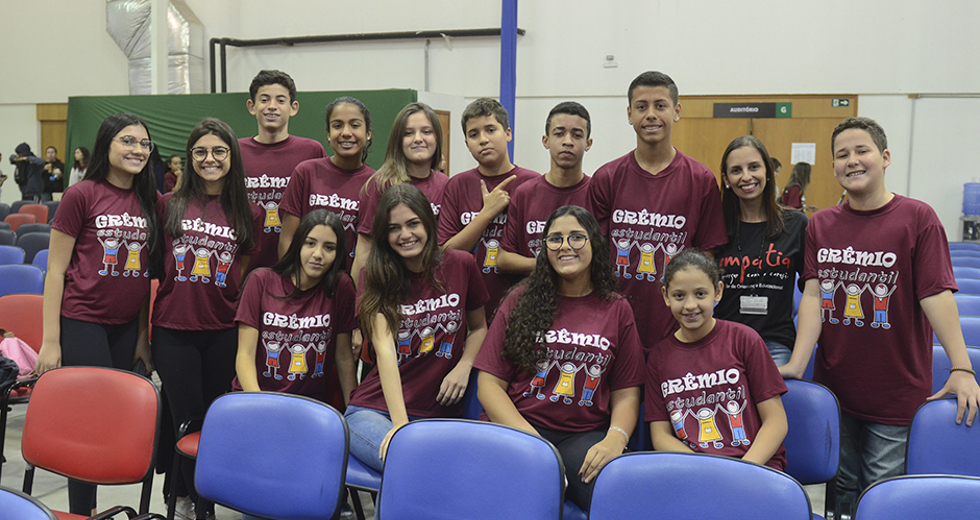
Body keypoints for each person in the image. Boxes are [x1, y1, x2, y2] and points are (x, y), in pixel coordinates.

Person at [779, 117, 980, 511]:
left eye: (862, 151)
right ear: (833, 166)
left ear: (885, 157)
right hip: (835, 390)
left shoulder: (918, 218)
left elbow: (936, 295)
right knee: (840, 496)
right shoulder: (821, 224)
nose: (852, 160)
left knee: (879, 496)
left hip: (896, 394)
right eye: (842, 155)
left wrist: (962, 367)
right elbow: (814, 296)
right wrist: (799, 363)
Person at [34, 112, 161, 516]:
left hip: (125, 327)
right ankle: (81, 512)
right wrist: (50, 340)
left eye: (144, 143)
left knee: (110, 422)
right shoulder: (81, 195)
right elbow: (55, 271)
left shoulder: (150, 200)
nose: (138, 150)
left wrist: (142, 337)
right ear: (106, 145)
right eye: (128, 141)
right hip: (82, 320)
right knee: (87, 422)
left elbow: (144, 277)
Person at [476, 205, 642, 510]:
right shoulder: (519, 300)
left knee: (624, 499)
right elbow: (488, 385)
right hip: (519, 428)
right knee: (519, 501)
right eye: (555, 239)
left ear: (594, 243)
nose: (565, 246)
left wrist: (616, 438)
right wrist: (536, 446)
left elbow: (627, 393)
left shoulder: (617, 309)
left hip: (582, 437)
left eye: (577, 237)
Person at [152, 118, 260, 520]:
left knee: (214, 422)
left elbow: (245, 269)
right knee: (185, 420)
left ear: (232, 156)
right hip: (173, 330)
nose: (209, 159)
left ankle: (196, 497)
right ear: (189, 157)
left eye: (218, 151)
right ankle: (194, 503)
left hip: (223, 331)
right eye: (200, 151)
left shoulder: (247, 211)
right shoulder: (169, 204)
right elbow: (156, 268)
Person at [344, 183, 489, 472]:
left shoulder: (460, 264)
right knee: (410, 462)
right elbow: (385, 351)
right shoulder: (373, 276)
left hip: (439, 415)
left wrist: (464, 365)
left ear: (428, 223)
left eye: (413, 224)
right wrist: (400, 425)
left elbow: (479, 327)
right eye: (394, 228)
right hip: (377, 411)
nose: (405, 235)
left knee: (439, 468)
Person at [587, 71, 727, 356]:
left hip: (677, 327)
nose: (651, 114)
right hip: (614, 326)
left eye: (660, 105)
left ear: (676, 111)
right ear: (629, 114)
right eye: (641, 106)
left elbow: (707, 256)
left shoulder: (700, 180)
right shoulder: (606, 178)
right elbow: (592, 255)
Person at [646, 249, 788, 469]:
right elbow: (660, 435)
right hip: (695, 471)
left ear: (718, 291)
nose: (690, 305)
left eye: (700, 294)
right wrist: (704, 470)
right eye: (679, 296)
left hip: (754, 466)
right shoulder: (658, 357)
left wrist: (742, 470)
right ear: (666, 296)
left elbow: (776, 421)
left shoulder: (745, 339)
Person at [235, 208, 357, 401]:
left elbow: (343, 357)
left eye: (329, 248)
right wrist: (258, 405)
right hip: (256, 397)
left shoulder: (340, 287)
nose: (318, 254)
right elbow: (245, 355)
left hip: (308, 404)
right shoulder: (260, 281)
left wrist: (352, 409)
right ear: (298, 244)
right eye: (310, 243)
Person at [437, 98, 539, 321]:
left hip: (523, 306)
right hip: (469, 308)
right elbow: (444, 253)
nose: (483, 139)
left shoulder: (533, 184)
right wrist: (486, 214)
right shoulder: (457, 185)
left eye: (491, 130)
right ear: (467, 143)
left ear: (508, 134)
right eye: (474, 134)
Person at [714, 136, 807, 366]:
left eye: (754, 167)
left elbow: (812, 295)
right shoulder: (716, 226)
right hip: (723, 341)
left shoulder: (795, 224)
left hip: (774, 344)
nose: (746, 177)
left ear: (768, 171)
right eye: (736, 170)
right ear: (726, 179)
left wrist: (798, 361)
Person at [350, 101, 448, 286]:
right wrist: (359, 296)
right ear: (398, 140)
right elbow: (365, 248)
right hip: (391, 285)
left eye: (426, 132)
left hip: (432, 286)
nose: (418, 139)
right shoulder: (380, 185)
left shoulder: (447, 185)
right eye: (408, 133)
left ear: (437, 137)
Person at [239, 70, 326, 271]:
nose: (272, 106)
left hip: (297, 266)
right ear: (251, 106)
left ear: (293, 108)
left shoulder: (312, 151)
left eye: (280, 100)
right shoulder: (235, 151)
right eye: (264, 100)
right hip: (246, 265)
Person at [497, 102, 593, 276]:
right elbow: (504, 259)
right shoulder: (524, 193)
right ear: (546, 140)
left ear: (588, 143)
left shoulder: (596, 192)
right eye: (559, 134)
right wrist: (551, 262)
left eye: (577, 135)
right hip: (534, 291)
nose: (567, 141)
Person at [280, 96, 375, 269]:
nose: (346, 133)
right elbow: (287, 239)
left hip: (350, 281)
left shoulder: (375, 184)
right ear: (329, 134)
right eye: (337, 126)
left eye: (355, 125)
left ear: (368, 133)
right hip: (305, 280)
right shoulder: (306, 172)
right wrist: (293, 280)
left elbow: (370, 250)